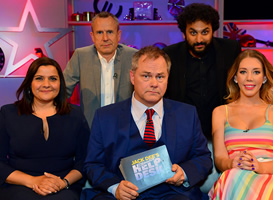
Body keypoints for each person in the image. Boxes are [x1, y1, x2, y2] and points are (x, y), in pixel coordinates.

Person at [84, 46, 212, 200]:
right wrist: (115, 187)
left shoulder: (187, 114)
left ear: (167, 78)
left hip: (174, 194)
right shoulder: (105, 117)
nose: (154, 83)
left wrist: (184, 173)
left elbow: (203, 158)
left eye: (160, 77)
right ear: (132, 77)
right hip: (123, 196)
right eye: (146, 76)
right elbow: (93, 164)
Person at [209, 49, 273, 199]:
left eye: (256, 72)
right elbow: (219, 159)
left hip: (271, 174)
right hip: (235, 174)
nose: (249, 78)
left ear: (264, 78)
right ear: (235, 77)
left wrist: (259, 166)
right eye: (243, 72)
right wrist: (232, 163)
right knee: (233, 178)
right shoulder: (220, 112)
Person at [0, 57, 90, 200]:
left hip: (63, 186)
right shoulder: (8, 113)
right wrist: (33, 181)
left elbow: (85, 160)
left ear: (60, 83)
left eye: (53, 79)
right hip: (19, 185)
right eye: (39, 78)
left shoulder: (75, 114)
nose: (46, 84)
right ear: (30, 83)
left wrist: (63, 183)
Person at [163, 3, 241, 141]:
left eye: (205, 32)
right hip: (183, 133)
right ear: (184, 33)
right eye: (193, 33)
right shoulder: (170, 55)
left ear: (213, 31)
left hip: (224, 132)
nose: (199, 39)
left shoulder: (230, 50)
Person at [63, 11, 138, 127]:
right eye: (99, 33)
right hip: (91, 128)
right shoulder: (80, 56)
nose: (105, 38)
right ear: (92, 36)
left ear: (118, 35)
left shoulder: (133, 56)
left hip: (125, 129)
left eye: (109, 32)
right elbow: (63, 91)